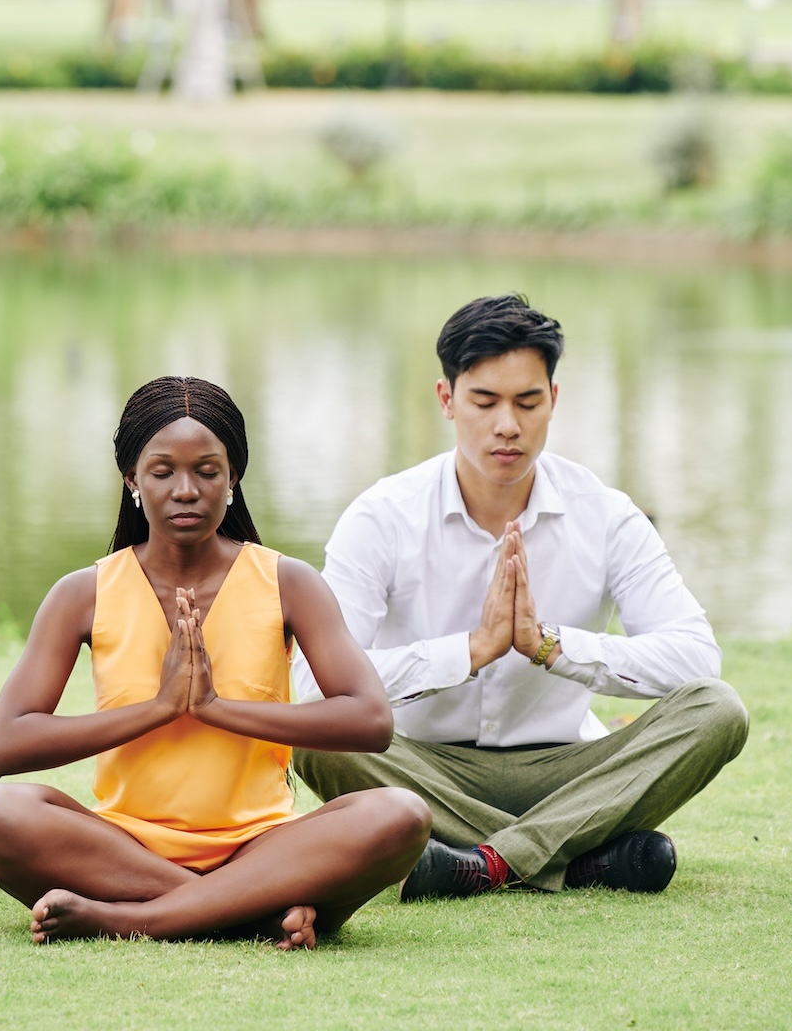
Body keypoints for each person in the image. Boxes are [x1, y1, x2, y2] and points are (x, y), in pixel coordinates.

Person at [292, 293, 749, 899]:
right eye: (484, 401)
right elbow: (310, 684)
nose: (507, 424)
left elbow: (697, 660)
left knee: (719, 710)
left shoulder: (606, 516)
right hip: (420, 765)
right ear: (447, 400)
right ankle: (583, 859)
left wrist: (552, 647)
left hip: (568, 772)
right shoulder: (383, 516)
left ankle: (481, 863)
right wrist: (469, 652)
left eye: (527, 402)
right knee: (312, 736)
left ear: (553, 402)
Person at [0, 376, 429, 949]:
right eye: (163, 472)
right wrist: (158, 709)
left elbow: (370, 721)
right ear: (132, 479)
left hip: (265, 848)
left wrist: (215, 708)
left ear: (233, 478)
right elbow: (6, 744)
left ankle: (139, 919)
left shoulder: (288, 583)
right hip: (123, 848)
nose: (186, 490)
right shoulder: (83, 594)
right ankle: (247, 912)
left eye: (207, 471)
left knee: (400, 815)